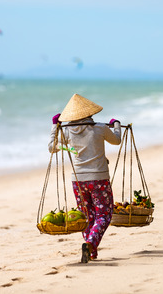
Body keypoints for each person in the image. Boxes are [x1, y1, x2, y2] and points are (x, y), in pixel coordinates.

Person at [48, 93, 121, 263]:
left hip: (78, 181)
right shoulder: (100, 128)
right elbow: (117, 140)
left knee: (86, 215)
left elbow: (52, 148)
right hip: (99, 179)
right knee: (104, 214)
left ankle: (92, 251)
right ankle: (90, 243)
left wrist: (55, 126)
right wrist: (115, 125)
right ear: (90, 113)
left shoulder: (66, 131)